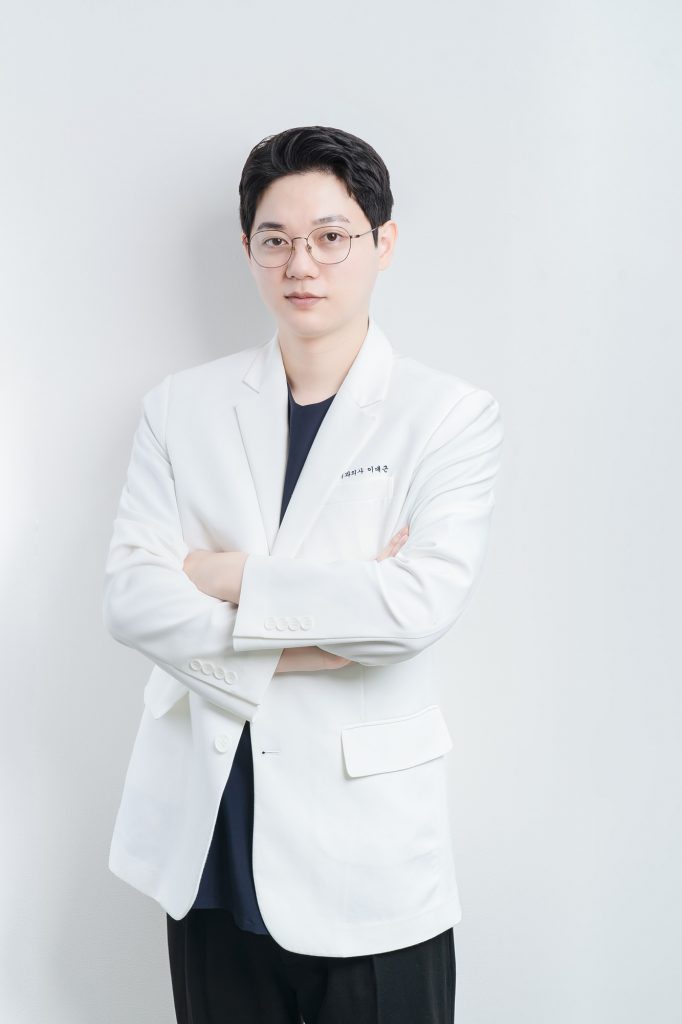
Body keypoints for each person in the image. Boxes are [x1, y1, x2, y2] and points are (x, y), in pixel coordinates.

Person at [103, 124, 504, 1023]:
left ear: (383, 242)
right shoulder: (180, 407)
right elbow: (130, 599)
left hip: (367, 861)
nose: (302, 264)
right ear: (248, 249)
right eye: (276, 239)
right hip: (209, 846)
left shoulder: (447, 416)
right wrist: (312, 641)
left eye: (331, 236)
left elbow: (413, 607)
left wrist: (223, 572)